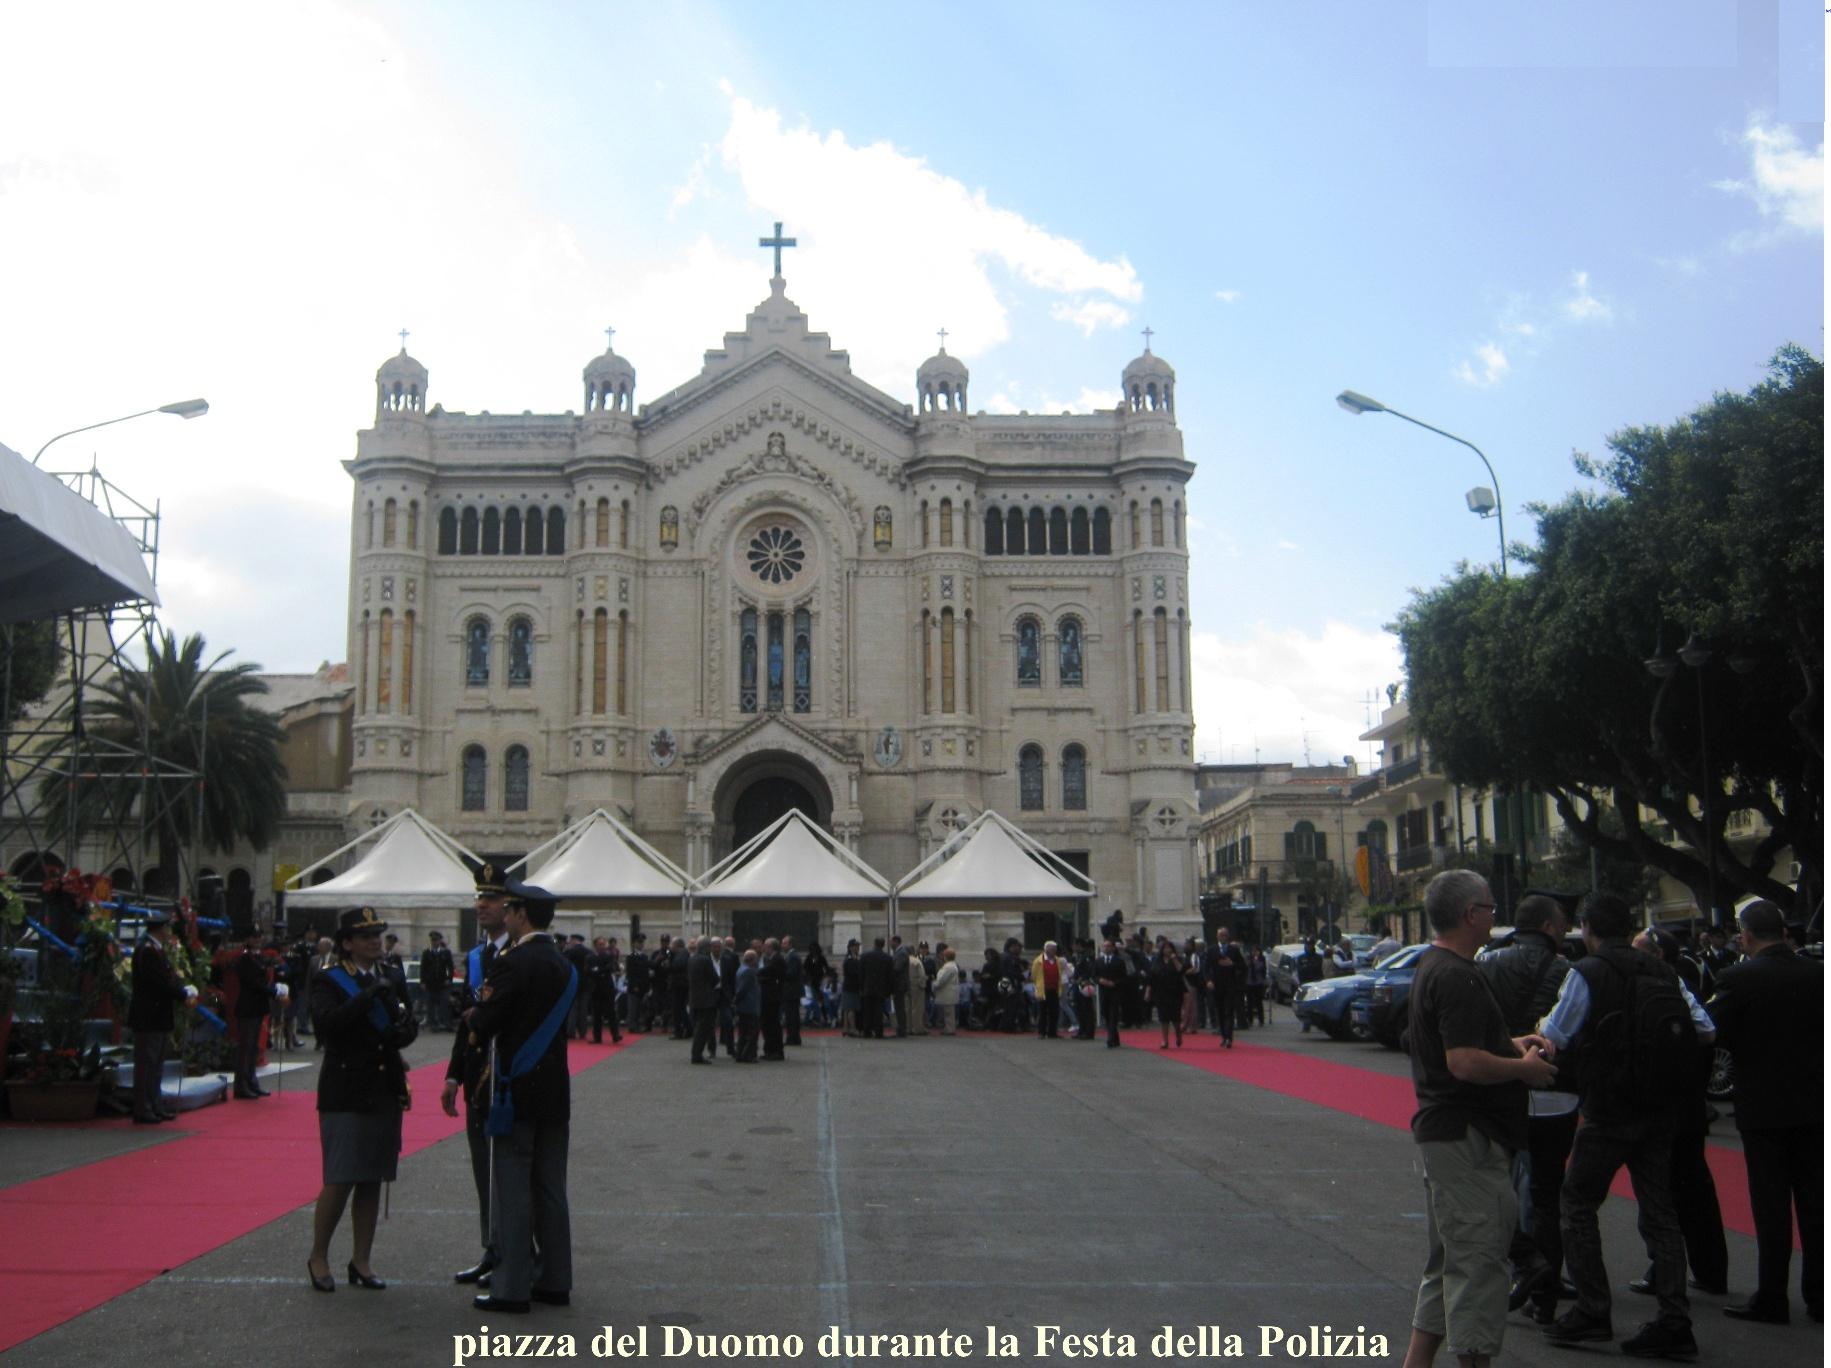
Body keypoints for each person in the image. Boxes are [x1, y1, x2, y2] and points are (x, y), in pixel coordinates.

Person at [1535, 894, 1715, 1359]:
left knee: (1576, 1203)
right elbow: (1705, 1028)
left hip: (1608, 1107)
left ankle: (1593, 1309)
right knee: (1661, 1212)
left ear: (1588, 927)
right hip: (1658, 1107)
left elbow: (1555, 1036)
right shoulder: (1662, 970)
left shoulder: (1587, 972)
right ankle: (1675, 1320)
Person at [1402, 870, 1557, 1368]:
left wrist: (1510, 1046)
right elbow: (1462, 1062)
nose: (1495, 916)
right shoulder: (1458, 975)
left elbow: (1459, 1046)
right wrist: (1524, 1069)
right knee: (1478, 1268)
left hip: (1445, 1137)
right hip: (1468, 1140)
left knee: (1448, 1260)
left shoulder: (1435, 966)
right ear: (1471, 914)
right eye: (1490, 907)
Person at [1708, 899, 1822, 1325]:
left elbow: (1709, 1031)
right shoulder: (1819, 974)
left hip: (1764, 1106)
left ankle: (1773, 1295)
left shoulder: (1737, 978)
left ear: (1747, 935)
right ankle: (1820, 1293)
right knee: (1815, 1206)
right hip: (1814, 1104)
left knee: (1771, 1207)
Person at [467, 878, 577, 1314]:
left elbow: (486, 1022)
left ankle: (510, 1287)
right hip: (554, 1089)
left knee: (512, 1188)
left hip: (516, 1089)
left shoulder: (513, 963)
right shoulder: (564, 964)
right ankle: (555, 1279)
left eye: (509, 910)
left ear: (521, 915)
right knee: (551, 1188)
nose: (504, 916)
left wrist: (475, 1016)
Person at [1476, 891, 1580, 1325]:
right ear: (1552, 928)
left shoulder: (1486, 963)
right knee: (1546, 1193)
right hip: (1553, 1089)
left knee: (1496, 1187)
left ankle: (1519, 1269)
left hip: (1501, 1087)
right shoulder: (1568, 969)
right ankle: (1546, 1291)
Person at [306, 906, 417, 1294]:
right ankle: (319, 1255)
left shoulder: (389, 975)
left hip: (383, 1085)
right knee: (340, 1177)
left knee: (372, 1176)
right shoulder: (330, 980)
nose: (374, 941)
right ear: (347, 943)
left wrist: (406, 1029)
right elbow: (327, 1026)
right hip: (346, 1087)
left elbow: (403, 1026)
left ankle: (361, 1260)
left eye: (377, 934)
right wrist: (367, 996)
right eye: (365, 936)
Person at [1628, 927, 1727, 1301]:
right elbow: (1706, 1031)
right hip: (1685, 1104)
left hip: (1664, 1105)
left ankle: (1668, 1271)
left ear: (1655, 955)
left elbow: (1706, 1031)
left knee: (1661, 1191)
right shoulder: (1676, 986)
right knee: (1692, 1188)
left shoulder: (1660, 987)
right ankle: (1708, 1269)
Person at [443, 865, 512, 1287]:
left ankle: (514, 1250)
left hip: (506, 1079)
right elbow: (467, 1022)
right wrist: (453, 1074)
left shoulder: (517, 955)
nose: (481, 905)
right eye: (479, 898)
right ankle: (491, 1247)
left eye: (492, 899)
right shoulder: (477, 956)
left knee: (506, 1170)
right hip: (476, 1079)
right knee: (482, 1169)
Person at [128, 908, 197, 1124]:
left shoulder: (157, 950)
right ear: (160, 929)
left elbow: (170, 977)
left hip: (157, 1015)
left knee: (156, 1064)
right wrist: (181, 993)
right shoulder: (147, 951)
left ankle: (154, 1104)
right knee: (147, 1064)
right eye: (167, 927)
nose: (169, 931)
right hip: (149, 1015)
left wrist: (184, 989)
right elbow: (159, 983)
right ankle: (144, 1107)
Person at [231, 928, 275, 1099]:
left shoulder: (258, 957)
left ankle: (251, 1081)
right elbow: (253, 982)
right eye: (254, 937)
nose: (257, 940)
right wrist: (273, 992)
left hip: (257, 1007)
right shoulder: (245, 957)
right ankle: (241, 1085)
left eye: (259, 937)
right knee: (246, 1048)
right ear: (247, 939)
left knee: (253, 1048)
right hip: (248, 1007)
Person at [1147, 937, 1186, 1049]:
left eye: (1169, 948)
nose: (1167, 950)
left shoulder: (1178, 959)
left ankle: (1178, 1035)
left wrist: (1174, 959)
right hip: (1161, 992)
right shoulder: (1157, 961)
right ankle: (1165, 1040)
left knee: (1175, 1018)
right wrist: (1148, 991)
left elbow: (1181, 971)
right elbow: (1152, 977)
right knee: (1163, 1018)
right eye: (1165, 948)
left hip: (1175, 992)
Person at [1208, 928, 1243, 1048]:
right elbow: (1206, 967)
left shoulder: (1234, 950)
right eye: (1221, 935)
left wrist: (1232, 964)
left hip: (1230, 985)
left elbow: (1242, 966)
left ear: (1228, 937)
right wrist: (1208, 981)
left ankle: (1229, 1037)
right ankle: (1223, 1035)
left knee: (1229, 1011)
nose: (1223, 937)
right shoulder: (1212, 950)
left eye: (1225, 935)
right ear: (1217, 937)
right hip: (1217, 985)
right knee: (1220, 1012)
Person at [688, 935, 719, 1064]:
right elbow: (714, 978)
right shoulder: (706, 960)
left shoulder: (691, 959)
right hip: (706, 999)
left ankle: (696, 1053)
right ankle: (697, 1054)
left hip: (694, 997)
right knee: (704, 1028)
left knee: (698, 1028)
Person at [420, 930, 455, 1031]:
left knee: (445, 1003)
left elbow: (450, 967)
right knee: (430, 1005)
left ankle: (446, 1023)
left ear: (440, 941)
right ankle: (433, 1025)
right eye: (433, 940)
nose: (434, 942)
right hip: (430, 983)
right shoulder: (426, 953)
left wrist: (449, 979)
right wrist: (422, 981)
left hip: (442, 982)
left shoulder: (446, 952)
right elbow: (423, 968)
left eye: (436, 940)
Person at [1096, 938, 1128, 1049]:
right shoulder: (1099, 961)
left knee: (1113, 1014)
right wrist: (1100, 980)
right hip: (1103, 991)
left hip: (1115, 991)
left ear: (1113, 948)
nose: (1106, 948)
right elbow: (1094, 975)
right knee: (1106, 1013)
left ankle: (1110, 1039)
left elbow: (1124, 977)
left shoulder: (1119, 961)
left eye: (1108, 946)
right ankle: (1115, 1037)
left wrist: (1114, 983)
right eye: (1104, 946)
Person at [859, 937, 893, 1039]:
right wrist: (889, 990)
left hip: (868, 988)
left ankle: (867, 1031)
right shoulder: (887, 958)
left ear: (874, 944)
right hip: (881, 989)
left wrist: (861, 987)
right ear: (883, 945)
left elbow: (861, 974)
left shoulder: (865, 956)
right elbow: (890, 976)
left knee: (867, 1011)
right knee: (879, 1011)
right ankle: (878, 1031)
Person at [758, 938, 786, 1059]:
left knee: (772, 1025)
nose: (764, 948)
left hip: (772, 997)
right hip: (769, 996)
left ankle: (775, 1051)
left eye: (766, 946)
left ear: (771, 948)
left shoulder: (777, 959)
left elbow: (768, 972)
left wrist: (756, 972)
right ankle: (769, 1050)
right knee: (768, 1025)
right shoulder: (772, 958)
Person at [1032, 941, 1064, 1039]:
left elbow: (1060, 973)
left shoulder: (1058, 960)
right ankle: (1041, 1032)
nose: (1054, 951)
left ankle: (1052, 1032)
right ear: (1046, 949)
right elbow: (1034, 975)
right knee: (1042, 1012)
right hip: (1043, 989)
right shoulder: (1038, 961)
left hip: (1054, 989)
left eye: (1055, 949)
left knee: (1054, 1012)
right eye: (1052, 949)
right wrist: (1038, 987)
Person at [623, 935, 651, 1033]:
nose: (640, 944)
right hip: (634, 985)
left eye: (641, 942)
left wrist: (647, 986)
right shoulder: (631, 956)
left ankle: (637, 1024)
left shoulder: (645, 956)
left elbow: (646, 972)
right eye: (638, 942)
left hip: (643, 985)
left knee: (640, 1007)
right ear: (634, 944)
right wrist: (634, 985)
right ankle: (632, 1025)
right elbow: (630, 972)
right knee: (633, 1006)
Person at [932, 947, 960, 1035]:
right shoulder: (952, 966)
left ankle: (950, 1029)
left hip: (947, 992)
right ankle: (949, 1028)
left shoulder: (948, 967)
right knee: (949, 1012)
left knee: (948, 1012)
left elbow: (942, 980)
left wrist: (934, 984)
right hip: (950, 992)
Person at [782, 936, 804, 1046]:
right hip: (792, 991)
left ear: (790, 945)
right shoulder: (790, 956)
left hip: (792, 991)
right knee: (792, 1015)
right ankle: (794, 1037)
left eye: (784, 943)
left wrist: (780, 973)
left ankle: (792, 1038)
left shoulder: (793, 957)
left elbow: (791, 973)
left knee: (791, 1016)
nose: (782, 945)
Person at [839, 940, 862, 1036]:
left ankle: (845, 1028)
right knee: (851, 1008)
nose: (858, 948)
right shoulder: (850, 959)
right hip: (851, 986)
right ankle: (852, 1028)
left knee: (847, 1008)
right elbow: (853, 972)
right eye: (856, 946)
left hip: (850, 986)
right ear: (851, 947)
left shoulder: (853, 958)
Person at [1244, 945, 1268, 1027]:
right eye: (1253, 951)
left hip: (1258, 982)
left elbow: (1260, 967)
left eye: (1256, 951)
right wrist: (1252, 961)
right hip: (1249, 982)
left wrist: (1256, 960)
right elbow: (1247, 966)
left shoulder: (1262, 958)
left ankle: (1261, 1020)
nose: (1254, 953)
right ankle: (1250, 1020)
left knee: (1258, 1002)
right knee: (1249, 1003)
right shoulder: (1248, 958)